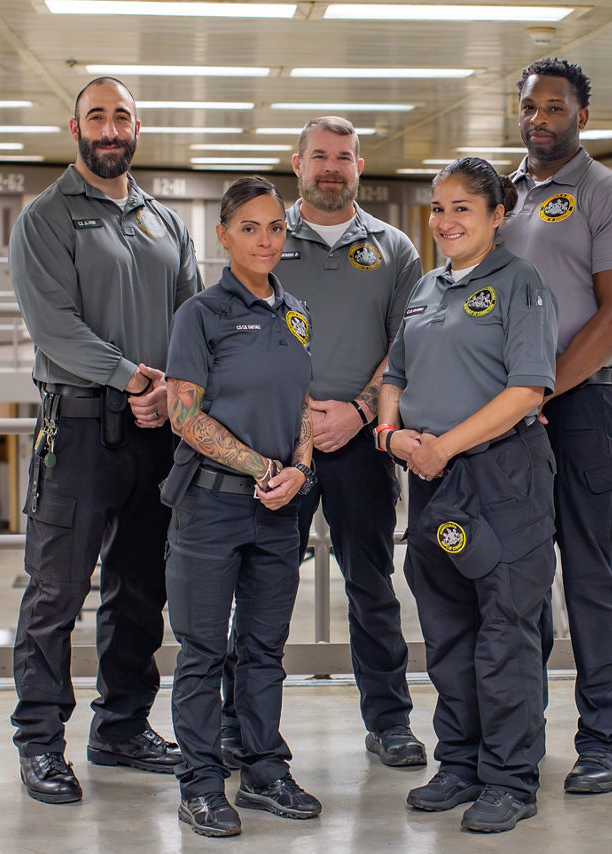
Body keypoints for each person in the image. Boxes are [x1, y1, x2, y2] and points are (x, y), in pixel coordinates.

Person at [7, 76, 201, 804]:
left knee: (139, 587)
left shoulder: (163, 221)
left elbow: (191, 313)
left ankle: (121, 727)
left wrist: (172, 387)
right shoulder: (47, 218)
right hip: (81, 429)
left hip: (156, 432)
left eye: (121, 116)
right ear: (76, 127)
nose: (110, 128)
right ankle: (40, 743)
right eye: (97, 116)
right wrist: (133, 379)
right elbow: (54, 327)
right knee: (56, 592)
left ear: (138, 127)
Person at [220, 116, 426, 768]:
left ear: (359, 166)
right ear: (297, 163)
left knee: (371, 585)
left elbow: (407, 344)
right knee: (261, 587)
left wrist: (362, 411)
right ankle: (241, 726)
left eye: (343, 157)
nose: (331, 167)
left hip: (361, 445)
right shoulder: (268, 238)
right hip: (278, 444)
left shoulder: (395, 249)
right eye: (319, 156)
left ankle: (389, 722)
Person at [379, 158, 560, 833]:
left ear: (496, 215)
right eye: (438, 208)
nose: (445, 221)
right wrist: (394, 435)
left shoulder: (521, 285)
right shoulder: (427, 288)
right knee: (447, 628)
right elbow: (394, 371)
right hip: (431, 483)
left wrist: (443, 447)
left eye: (461, 208)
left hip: (499, 478)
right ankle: (459, 761)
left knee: (506, 630)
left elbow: (527, 391)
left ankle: (510, 777)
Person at [500, 58, 612, 795]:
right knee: (518, 580)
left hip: (581, 406)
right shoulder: (506, 194)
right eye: (531, 106)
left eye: (556, 107)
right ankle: (517, 734)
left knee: (592, 578)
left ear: (582, 117)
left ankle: (605, 739)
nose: (541, 118)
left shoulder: (611, 196)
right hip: (510, 413)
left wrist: (543, 389)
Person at [162, 176, 321, 839]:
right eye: (250, 227)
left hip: (279, 511)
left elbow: (307, 406)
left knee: (263, 649)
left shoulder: (298, 311)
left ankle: (261, 769)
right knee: (202, 650)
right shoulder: (201, 314)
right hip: (212, 508)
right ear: (223, 235)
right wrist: (262, 468)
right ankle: (200, 783)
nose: (265, 239)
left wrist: (303, 470)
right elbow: (182, 415)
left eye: (276, 227)